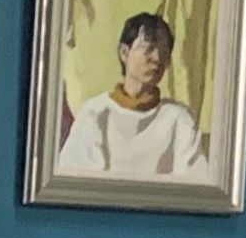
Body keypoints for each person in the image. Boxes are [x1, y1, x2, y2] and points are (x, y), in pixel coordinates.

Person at [57, 9, 207, 178]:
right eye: (148, 48)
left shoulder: (180, 119)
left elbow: (194, 181)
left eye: (164, 51)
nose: (157, 58)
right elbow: (75, 180)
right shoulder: (95, 113)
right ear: (124, 53)